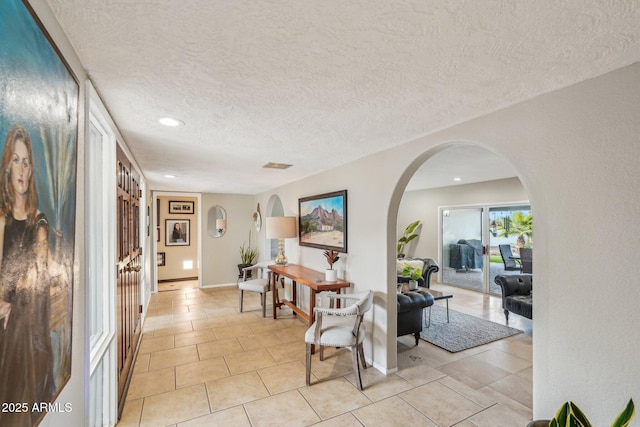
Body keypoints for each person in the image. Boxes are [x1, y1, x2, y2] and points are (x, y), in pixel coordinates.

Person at [0, 124, 55, 426]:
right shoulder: (1, 219)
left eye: (26, 162)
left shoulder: (39, 221)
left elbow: (39, 273)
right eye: (15, 160)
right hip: (5, 322)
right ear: (8, 166)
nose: (21, 169)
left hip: (25, 321)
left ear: (31, 169)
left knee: (21, 323)